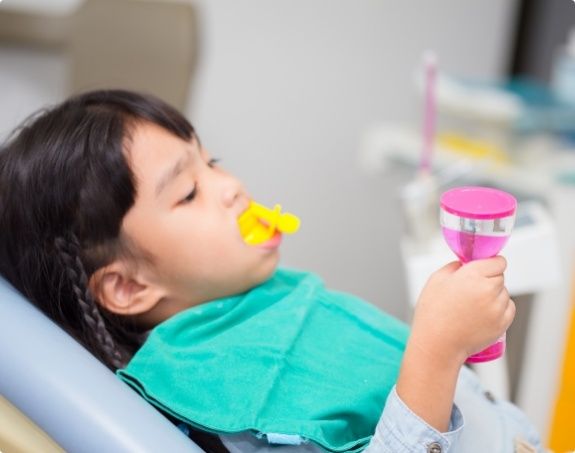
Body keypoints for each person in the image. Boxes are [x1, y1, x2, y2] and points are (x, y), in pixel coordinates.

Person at [0, 90, 543, 453]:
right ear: (128, 285)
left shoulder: (260, 301)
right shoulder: (228, 394)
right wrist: (436, 350)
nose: (231, 185)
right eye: (189, 192)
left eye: (212, 162)